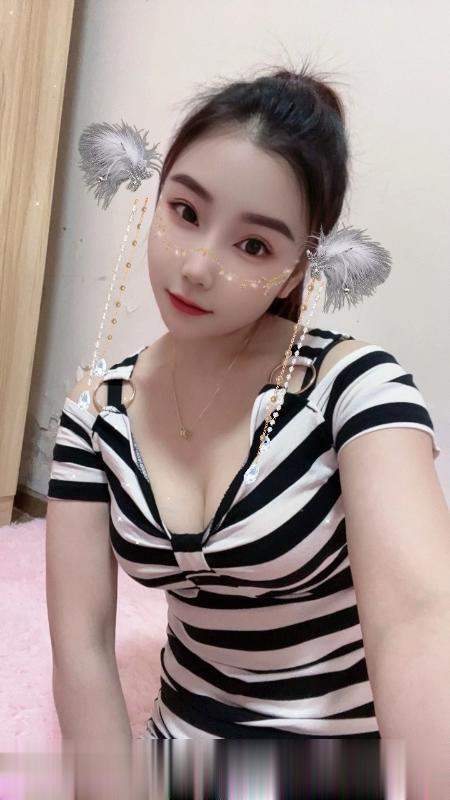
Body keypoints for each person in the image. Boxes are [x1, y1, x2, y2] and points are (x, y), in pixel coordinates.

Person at [46, 64, 446, 769]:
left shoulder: (353, 388)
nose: (199, 267)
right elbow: (80, 648)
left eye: (254, 245)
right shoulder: (95, 412)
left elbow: (421, 617)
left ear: (297, 269)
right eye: (185, 212)